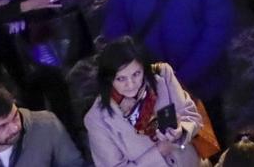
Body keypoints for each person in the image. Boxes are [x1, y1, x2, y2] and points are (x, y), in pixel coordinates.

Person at [99, 0, 235, 141]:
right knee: (167, 135)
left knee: (211, 131)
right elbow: (117, 20)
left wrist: (181, 78)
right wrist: (128, 68)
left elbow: (217, 29)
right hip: (151, 78)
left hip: (201, 75)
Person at [83, 36, 203, 167]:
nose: (131, 84)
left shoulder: (162, 74)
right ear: (108, 79)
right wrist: (159, 152)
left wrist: (182, 131)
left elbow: (192, 117)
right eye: (121, 79)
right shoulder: (96, 119)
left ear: (144, 68)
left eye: (136, 74)